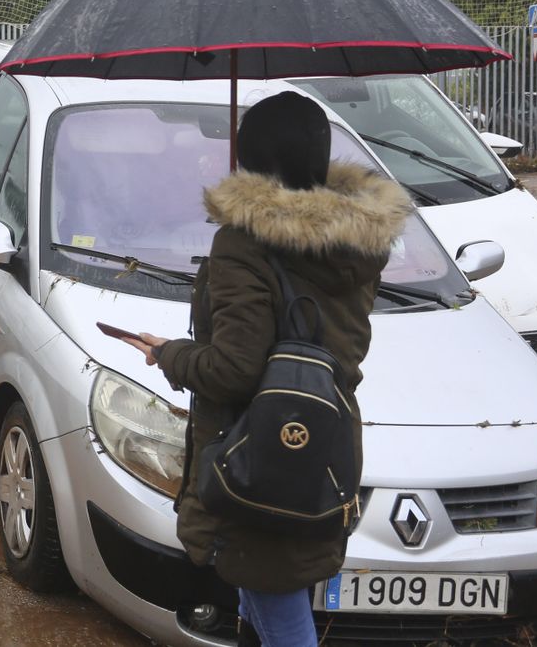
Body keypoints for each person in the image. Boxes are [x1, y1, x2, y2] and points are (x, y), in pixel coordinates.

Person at [122, 92, 411, 647]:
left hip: (256, 455)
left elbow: (234, 369)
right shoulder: (357, 240)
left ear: (249, 157)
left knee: (276, 610)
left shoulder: (244, 245)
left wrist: (170, 355)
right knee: (269, 597)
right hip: (321, 448)